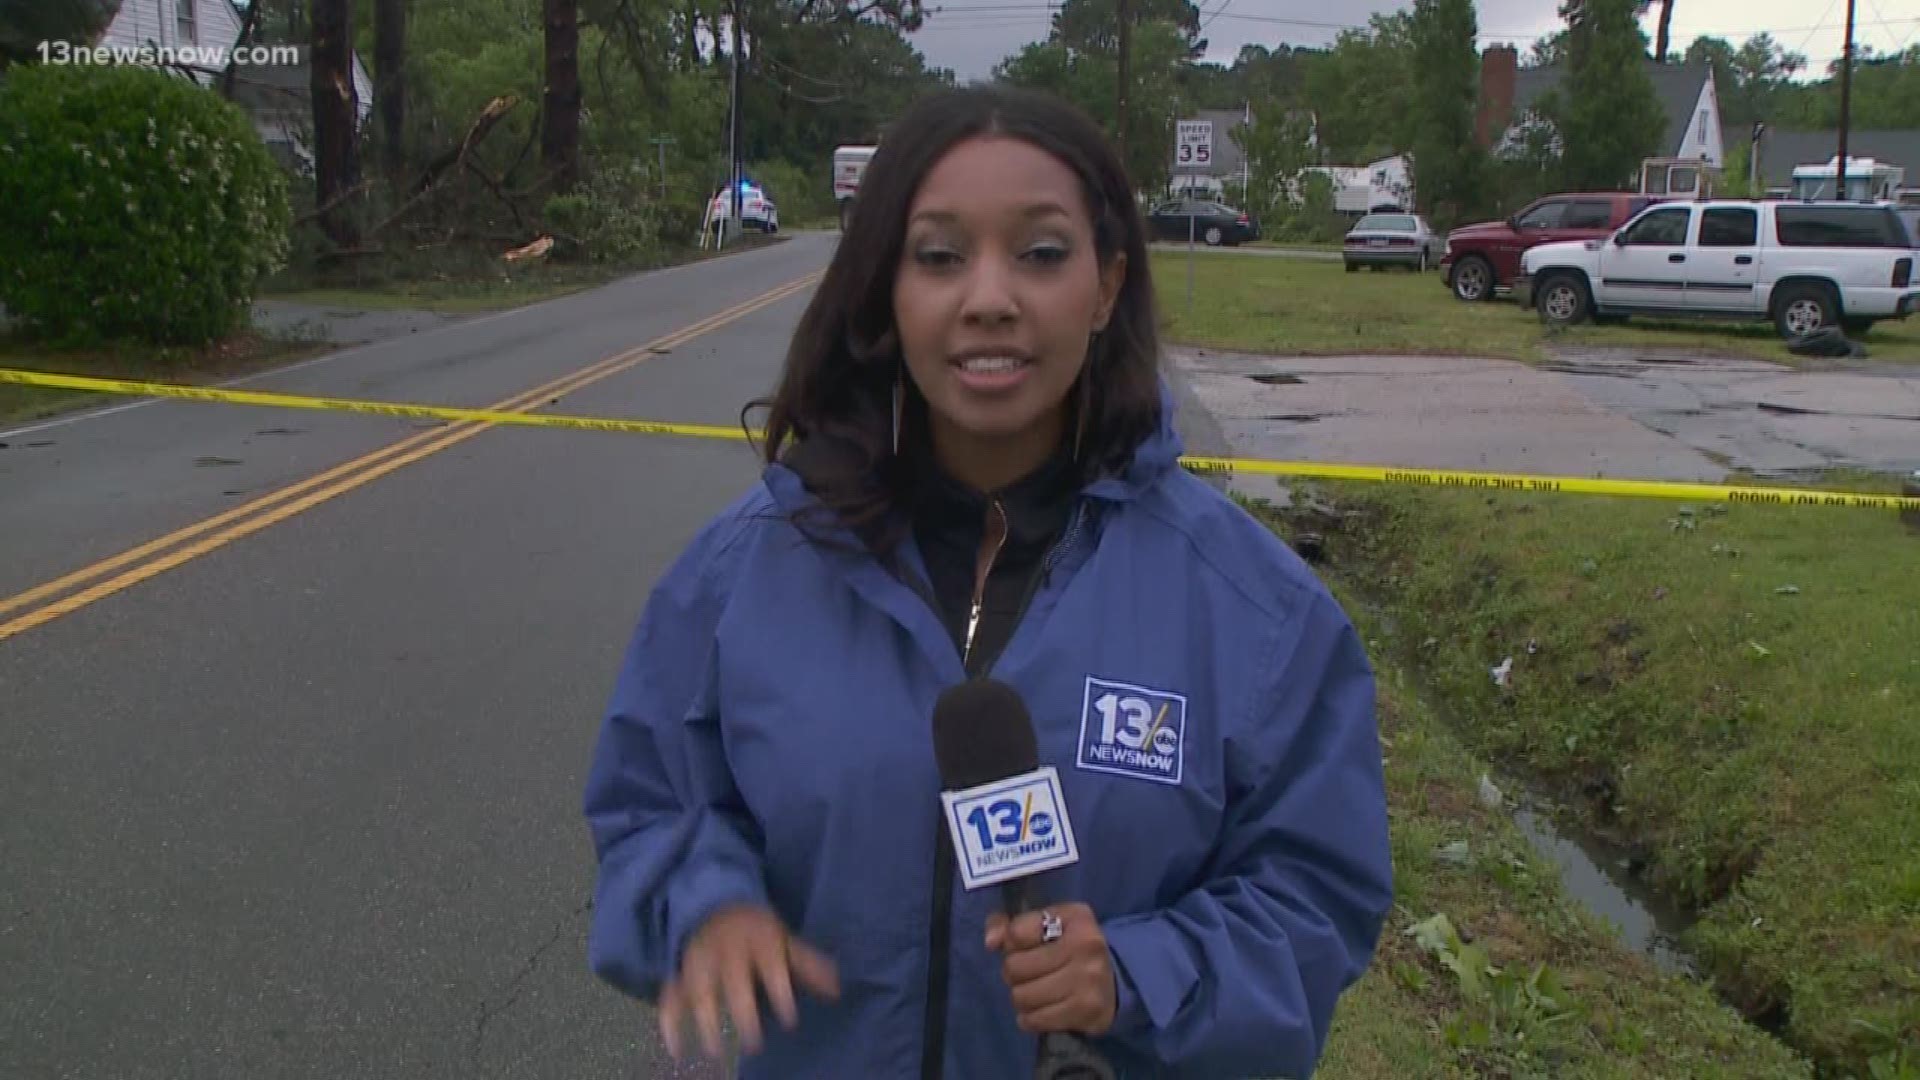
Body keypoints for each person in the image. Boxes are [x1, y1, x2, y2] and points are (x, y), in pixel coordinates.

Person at [583, 85, 1393, 1079]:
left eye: (1043, 253)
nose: (990, 297)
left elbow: (1314, 899)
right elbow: (649, 806)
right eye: (939, 255)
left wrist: (1136, 973)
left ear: (1105, 289)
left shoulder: (1259, 615)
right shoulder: (746, 570)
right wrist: (706, 904)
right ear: (887, 288)